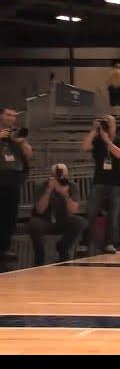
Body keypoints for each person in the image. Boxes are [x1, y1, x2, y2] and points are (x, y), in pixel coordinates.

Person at [82, 115, 120, 255]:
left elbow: (119, 154)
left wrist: (107, 140)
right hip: (99, 181)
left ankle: (109, 243)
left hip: (115, 183)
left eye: (109, 122)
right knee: (91, 212)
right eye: (105, 122)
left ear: (114, 125)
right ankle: (85, 242)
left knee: (113, 215)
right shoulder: (97, 141)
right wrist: (94, 131)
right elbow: (85, 147)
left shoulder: (119, 140)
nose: (107, 125)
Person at [28, 164, 87, 266]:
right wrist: (48, 190)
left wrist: (66, 195)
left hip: (63, 219)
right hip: (44, 220)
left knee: (80, 222)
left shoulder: (72, 186)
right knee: (34, 224)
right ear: (52, 176)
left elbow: (73, 211)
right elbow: (40, 210)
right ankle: (40, 253)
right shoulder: (42, 185)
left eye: (64, 176)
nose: (61, 179)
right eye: (58, 176)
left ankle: (63, 246)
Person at [0, 106, 33, 269]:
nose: (11, 118)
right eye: (8, 115)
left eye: (14, 115)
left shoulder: (15, 134)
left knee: (10, 216)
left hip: (13, 178)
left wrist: (22, 141)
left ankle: (5, 248)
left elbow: (28, 154)